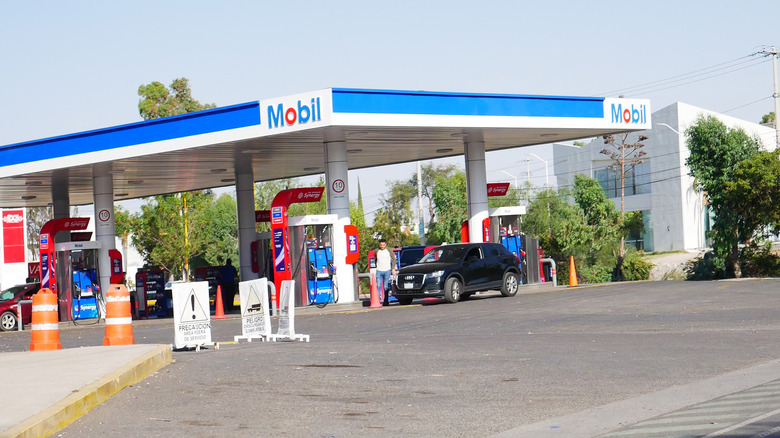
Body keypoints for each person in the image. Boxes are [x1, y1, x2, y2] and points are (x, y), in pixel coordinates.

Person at [374, 239, 397, 306]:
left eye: (383, 245)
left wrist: (393, 268)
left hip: (387, 270)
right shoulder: (376, 251)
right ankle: (377, 300)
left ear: (385, 244)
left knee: (385, 287)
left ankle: (386, 301)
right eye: (381, 245)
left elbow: (394, 259)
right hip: (379, 270)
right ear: (379, 245)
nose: (382, 246)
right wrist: (376, 266)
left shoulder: (389, 250)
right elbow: (375, 259)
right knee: (378, 285)